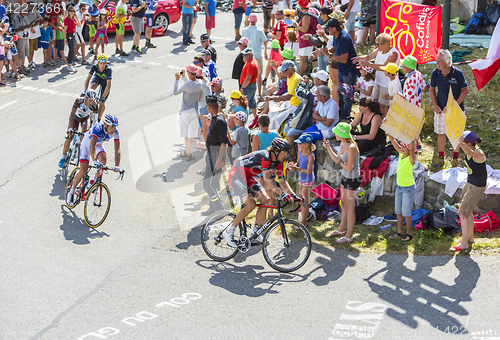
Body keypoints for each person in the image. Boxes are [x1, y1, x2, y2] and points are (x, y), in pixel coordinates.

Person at [224, 138, 302, 247]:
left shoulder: (279, 161)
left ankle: (256, 231)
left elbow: (283, 181)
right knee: (251, 204)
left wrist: (293, 196)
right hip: (236, 174)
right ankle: (229, 231)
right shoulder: (265, 156)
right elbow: (267, 180)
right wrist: (282, 193)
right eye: (285, 153)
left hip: (248, 176)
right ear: (276, 151)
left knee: (265, 200)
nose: (286, 156)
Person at [66, 114, 121, 206]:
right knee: (83, 170)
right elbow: (91, 145)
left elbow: (117, 150)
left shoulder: (115, 132)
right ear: (106, 125)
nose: (114, 129)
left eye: (115, 127)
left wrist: (117, 166)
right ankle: (71, 191)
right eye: (112, 127)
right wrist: (94, 160)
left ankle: (94, 182)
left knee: (103, 160)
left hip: (99, 145)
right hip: (87, 144)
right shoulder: (97, 128)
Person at [429, 49, 469, 170]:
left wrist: (453, 106)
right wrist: (435, 104)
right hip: (441, 109)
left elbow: (465, 91)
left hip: (456, 110)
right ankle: (441, 157)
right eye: (436, 61)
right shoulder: (435, 73)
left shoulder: (458, 73)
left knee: (456, 134)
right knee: (441, 133)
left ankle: (455, 158)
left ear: (447, 62)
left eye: (439, 61)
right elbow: (431, 89)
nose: (437, 63)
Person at [323, 123, 360, 242]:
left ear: (342, 134)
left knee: (350, 208)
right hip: (345, 177)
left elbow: (349, 168)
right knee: (343, 203)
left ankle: (349, 236)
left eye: (336, 132)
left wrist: (341, 164)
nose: (334, 134)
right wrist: (328, 148)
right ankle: (341, 230)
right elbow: (337, 160)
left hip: (352, 179)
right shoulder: (343, 143)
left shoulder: (352, 147)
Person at [451, 131, 487, 252]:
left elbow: (469, 152)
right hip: (470, 182)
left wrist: (460, 143)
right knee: (467, 211)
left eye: (464, 142)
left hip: (476, 186)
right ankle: (470, 238)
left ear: (469, 143)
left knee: (463, 213)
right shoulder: (469, 148)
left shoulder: (478, 153)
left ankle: (464, 243)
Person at [318, 18, 358, 120]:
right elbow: (335, 49)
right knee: (341, 93)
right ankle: (341, 114)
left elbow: (344, 59)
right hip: (342, 70)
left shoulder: (344, 38)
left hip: (348, 71)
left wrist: (329, 55)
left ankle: (346, 116)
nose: (327, 31)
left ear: (334, 29)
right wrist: (324, 51)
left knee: (347, 96)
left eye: (328, 29)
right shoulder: (336, 36)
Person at [352, 33, 400, 115]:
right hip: (378, 81)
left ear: (387, 44)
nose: (377, 46)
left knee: (383, 106)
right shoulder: (380, 50)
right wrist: (360, 58)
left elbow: (384, 67)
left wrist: (368, 64)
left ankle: (382, 125)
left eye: (379, 44)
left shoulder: (394, 54)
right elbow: (369, 56)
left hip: (386, 84)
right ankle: (377, 123)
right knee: (375, 103)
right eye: (376, 43)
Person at [58, 89, 100, 167]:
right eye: (90, 100)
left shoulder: (95, 106)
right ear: (86, 98)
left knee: (85, 131)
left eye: (93, 101)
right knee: (69, 137)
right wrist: (70, 128)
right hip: (75, 118)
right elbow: (71, 114)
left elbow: (95, 122)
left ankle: (80, 145)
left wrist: (93, 133)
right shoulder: (78, 101)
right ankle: (63, 157)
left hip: (85, 118)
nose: (91, 103)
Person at [387, 134, 417, 243]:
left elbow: (412, 149)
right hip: (399, 187)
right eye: (402, 147)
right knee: (398, 212)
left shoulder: (411, 159)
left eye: (405, 147)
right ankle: (400, 231)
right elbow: (394, 143)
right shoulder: (401, 155)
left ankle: (409, 233)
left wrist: (413, 141)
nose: (402, 148)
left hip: (408, 188)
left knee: (406, 213)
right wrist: (390, 134)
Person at [201, 95, 228, 215]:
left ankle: (220, 207)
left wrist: (219, 160)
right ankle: (213, 207)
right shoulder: (215, 119)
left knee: (207, 184)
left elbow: (223, 142)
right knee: (214, 183)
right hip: (211, 154)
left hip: (215, 155)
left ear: (209, 107)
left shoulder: (220, 121)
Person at [173, 64, 202, 161]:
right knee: (191, 135)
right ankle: (188, 153)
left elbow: (175, 92)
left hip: (185, 112)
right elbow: (190, 84)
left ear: (189, 73)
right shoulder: (199, 84)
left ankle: (187, 152)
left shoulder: (187, 85)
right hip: (194, 112)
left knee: (186, 134)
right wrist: (183, 77)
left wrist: (177, 79)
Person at [265, 59, 301, 136]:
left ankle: (272, 137)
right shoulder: (289, 76)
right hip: (290, 104)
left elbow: (288, 96)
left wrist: (272, 98)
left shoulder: (295, 79)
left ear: (291, 70)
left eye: (284, 71)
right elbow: (289, 93)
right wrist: (282, 101)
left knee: (275, 120)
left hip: (296, 106)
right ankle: (268, 134)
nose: (282, 73)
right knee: (271, 113)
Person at [288, 133, 315, 227]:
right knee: (300, 199)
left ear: (306, 144)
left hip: (308, 180)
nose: (298, 145)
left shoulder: (311, 155)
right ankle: (302, 217)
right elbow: (298, 164)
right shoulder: (300, 152)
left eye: (300, 143)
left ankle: (303, 223)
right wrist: (293, 166)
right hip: (301, 179)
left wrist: (296, 169)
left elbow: (309, 171)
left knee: (304, 201)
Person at [242, 13, 268, 99]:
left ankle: (246, 92)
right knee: (259, 75)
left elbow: (243, 43)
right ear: (256, 21)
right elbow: (265, 42)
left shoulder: (244, 30)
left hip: (247, 55)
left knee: (247, 75)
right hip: (257, 55)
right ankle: (259, 94)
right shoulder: (259, 31)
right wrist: (265, 52)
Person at [292, 0, 318, 75]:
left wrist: (296, 26)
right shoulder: (313, 10)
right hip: (312, 38)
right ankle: (317, 76)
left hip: (306, 40)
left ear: (300, 7)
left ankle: (299, 76)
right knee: (314, 58)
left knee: (303, 59)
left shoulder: (306, 15)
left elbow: (304, 29)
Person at [84, 53, 112, 121]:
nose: (102, 65)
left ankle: (98, 119)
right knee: (92, 87)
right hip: (97, 79)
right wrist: (85, 91)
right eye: (100, 63)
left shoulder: (108, 69)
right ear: (98, 63)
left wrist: (103, 97)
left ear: (106, 63)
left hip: (105, 83)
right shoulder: (94, 66)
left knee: (101, 103)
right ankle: (88, 107)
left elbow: (108, 85)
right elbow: (88, 79)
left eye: (104, 63)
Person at [240, 47, 259, 118]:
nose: (243, 56)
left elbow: (248, 78)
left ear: (250, 55)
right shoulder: (252, 61)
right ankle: (255, 118)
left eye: (245, 55)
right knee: (252, 102)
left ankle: (244, 120)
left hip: (249, 86)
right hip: (252, 85)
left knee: (244, 104)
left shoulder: (251, 64)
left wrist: (242, 88)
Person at [64, 6, 81, 72]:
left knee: (72, 50)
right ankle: (69, 65)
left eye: (73, 11)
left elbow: (79, 25)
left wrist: (77, 17)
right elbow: (64, 30)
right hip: (69, 35)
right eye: (70, 11)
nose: (72, 12)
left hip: (73, 34)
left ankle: (69, 64)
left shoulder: (73, 19)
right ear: (68, 12)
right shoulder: (67, 19)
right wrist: (65, 39)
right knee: (72, 50)